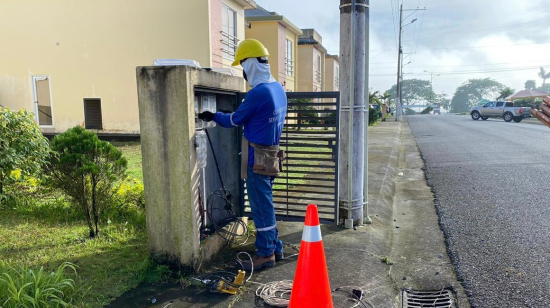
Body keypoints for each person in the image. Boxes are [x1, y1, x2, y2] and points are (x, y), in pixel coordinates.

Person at [198, 39, 286, 271]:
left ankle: (266, 254)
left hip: (257, 159)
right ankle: (275, 245)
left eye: (243, 66)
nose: (244, 73)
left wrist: (213, 115)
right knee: (266, 203)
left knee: (260, 206)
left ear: (251, 65)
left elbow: (234, 120)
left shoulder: (258, 93)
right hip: (273, 156)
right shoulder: (278, 89)